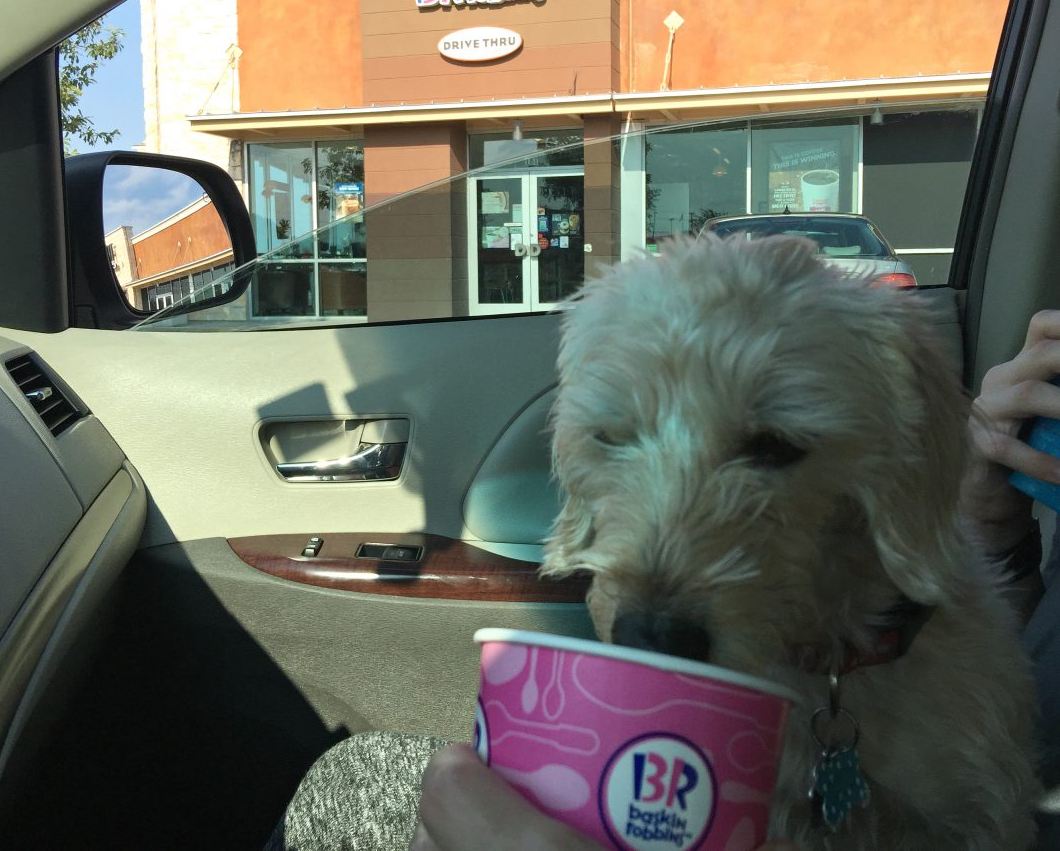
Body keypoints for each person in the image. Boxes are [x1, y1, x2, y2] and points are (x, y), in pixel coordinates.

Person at [269, 311, 1060, 851]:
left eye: (773, 447)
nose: (649, 601)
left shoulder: (965, 707)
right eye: (615, 437)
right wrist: (993, 524)